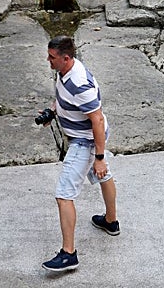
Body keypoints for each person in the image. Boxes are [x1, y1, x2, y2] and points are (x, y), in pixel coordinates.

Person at [41, 35, 119, 273]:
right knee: (103, 175)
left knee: (64, 195)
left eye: (52, 57)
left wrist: (99, 157)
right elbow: (64, 97)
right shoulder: (64, 70)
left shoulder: (79, 83)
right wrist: (53, 111)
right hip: (87, 137)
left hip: (85, 141)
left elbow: (97, 119)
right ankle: (110, 221)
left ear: (66, 58)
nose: (48, 60)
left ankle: (69, 254)